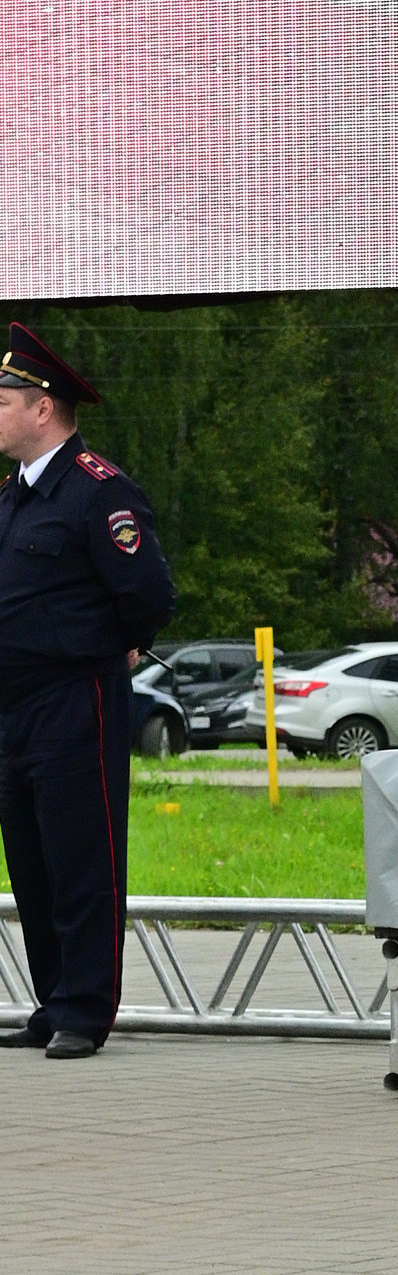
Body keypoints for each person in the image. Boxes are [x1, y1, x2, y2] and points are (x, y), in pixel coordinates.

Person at [0, 326, 174, 1058]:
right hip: (14, 707)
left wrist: (115, 646)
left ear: (43, 407)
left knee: (82, 856)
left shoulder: (99, 490)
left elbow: (148, 594)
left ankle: (86, 1010)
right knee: (32, 862)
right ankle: (52, 1001)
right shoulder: (13, 498)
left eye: (2, 398)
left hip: (77, 697)